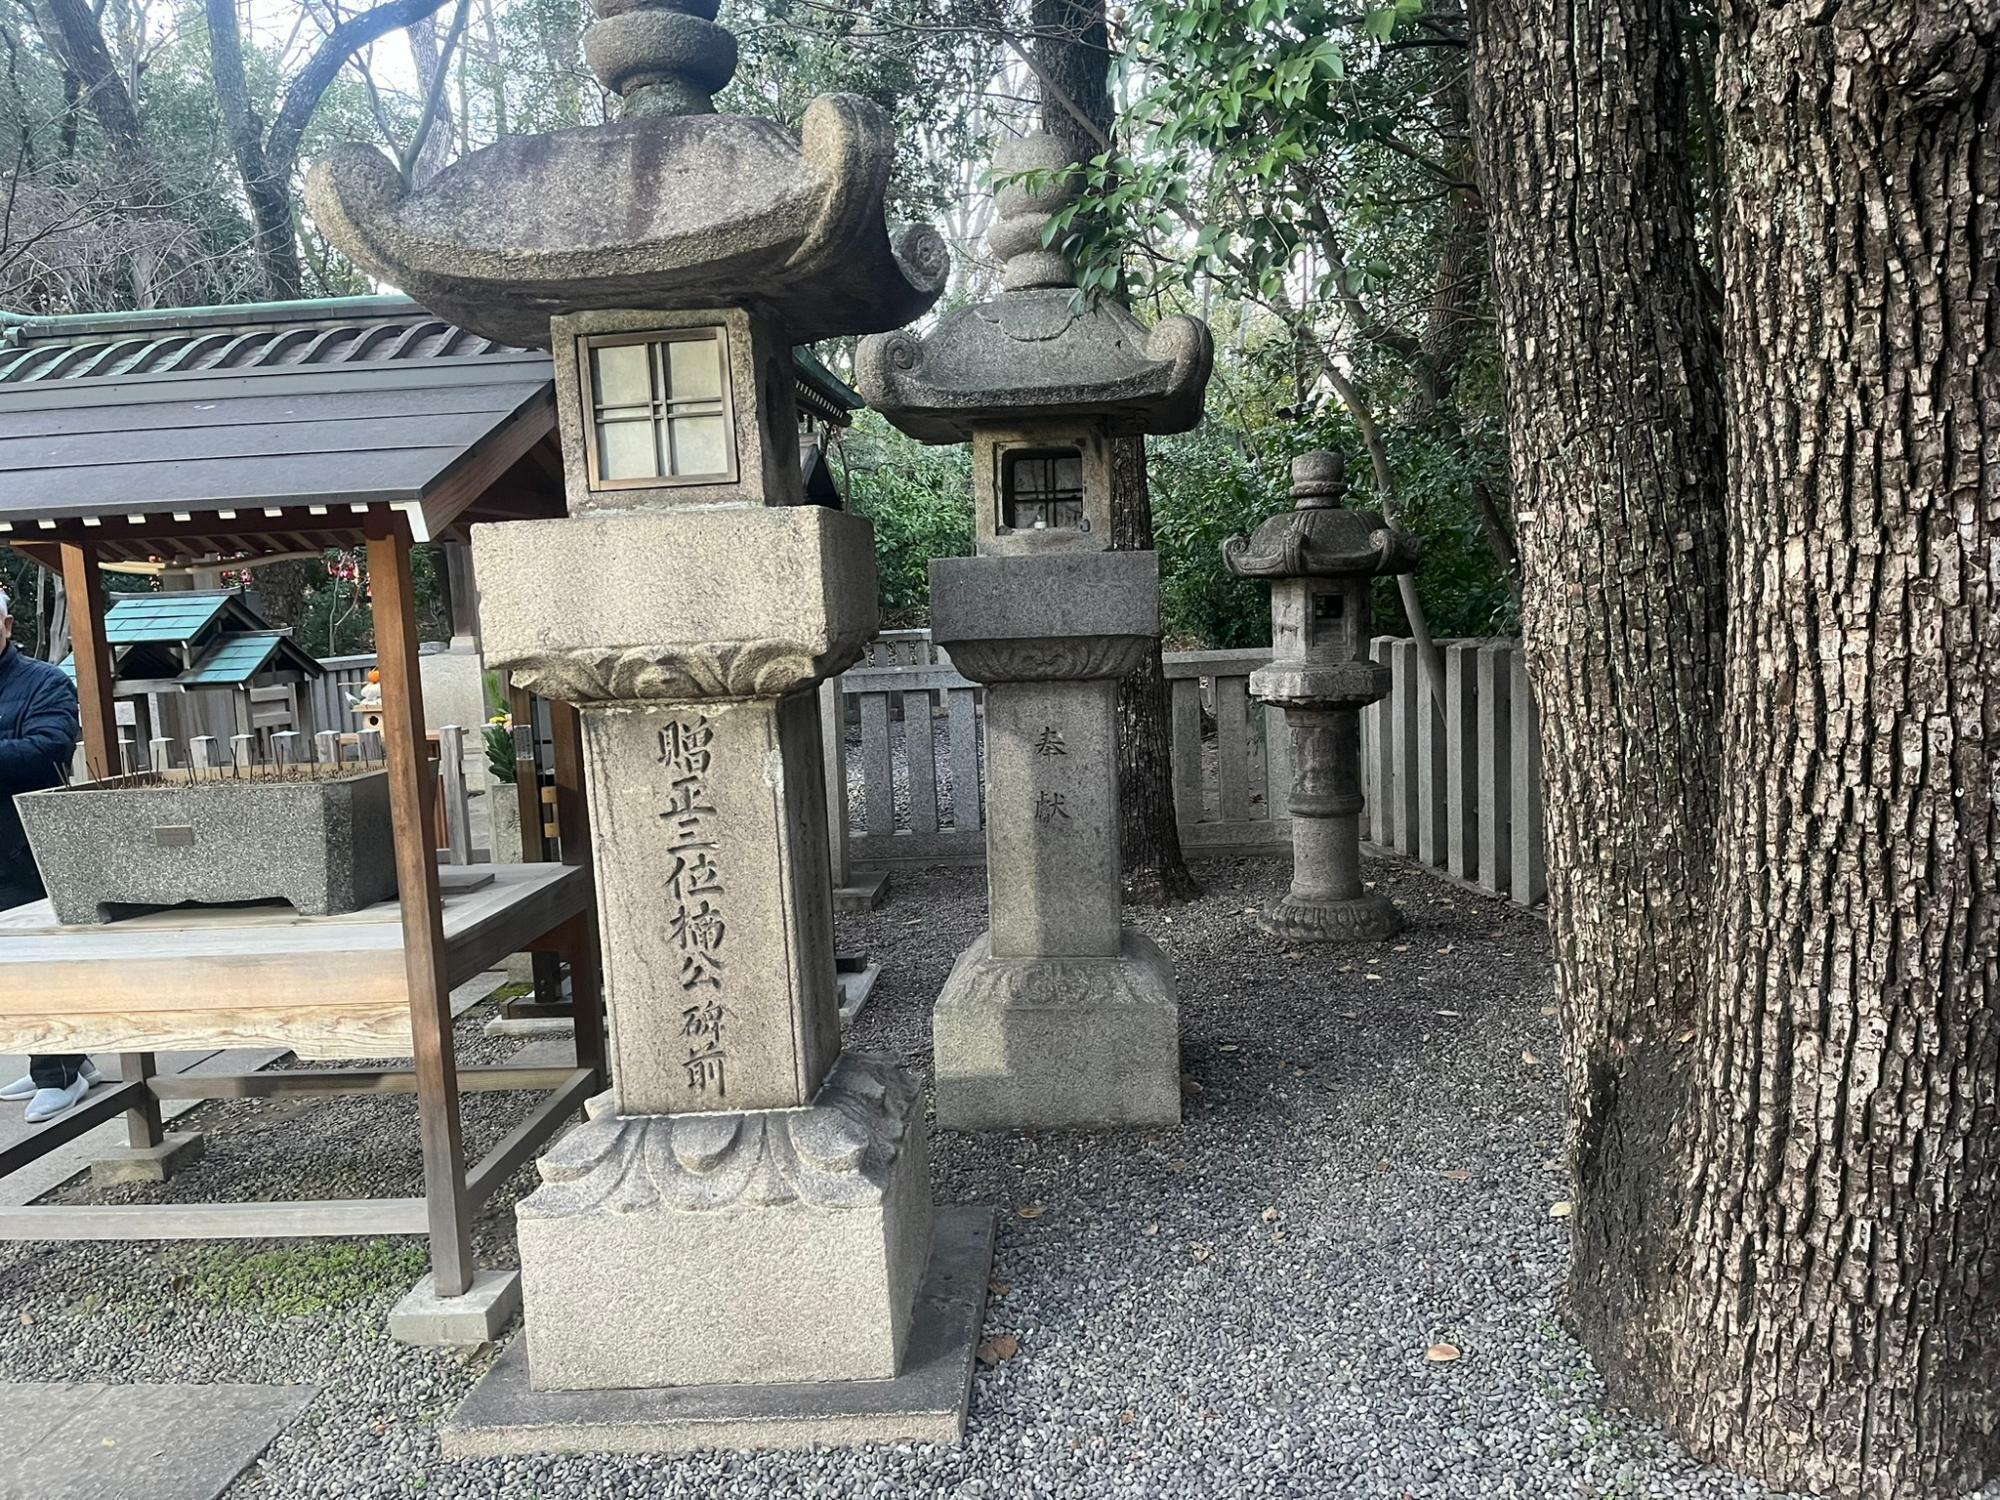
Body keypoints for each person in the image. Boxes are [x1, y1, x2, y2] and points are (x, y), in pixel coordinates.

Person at [0, 585, 95, 1122]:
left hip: (24, 847)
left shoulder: (45, 682)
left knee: (34, 962)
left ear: (8, 626)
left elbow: (49, 749)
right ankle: (70, 1063)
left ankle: (55, 1075)